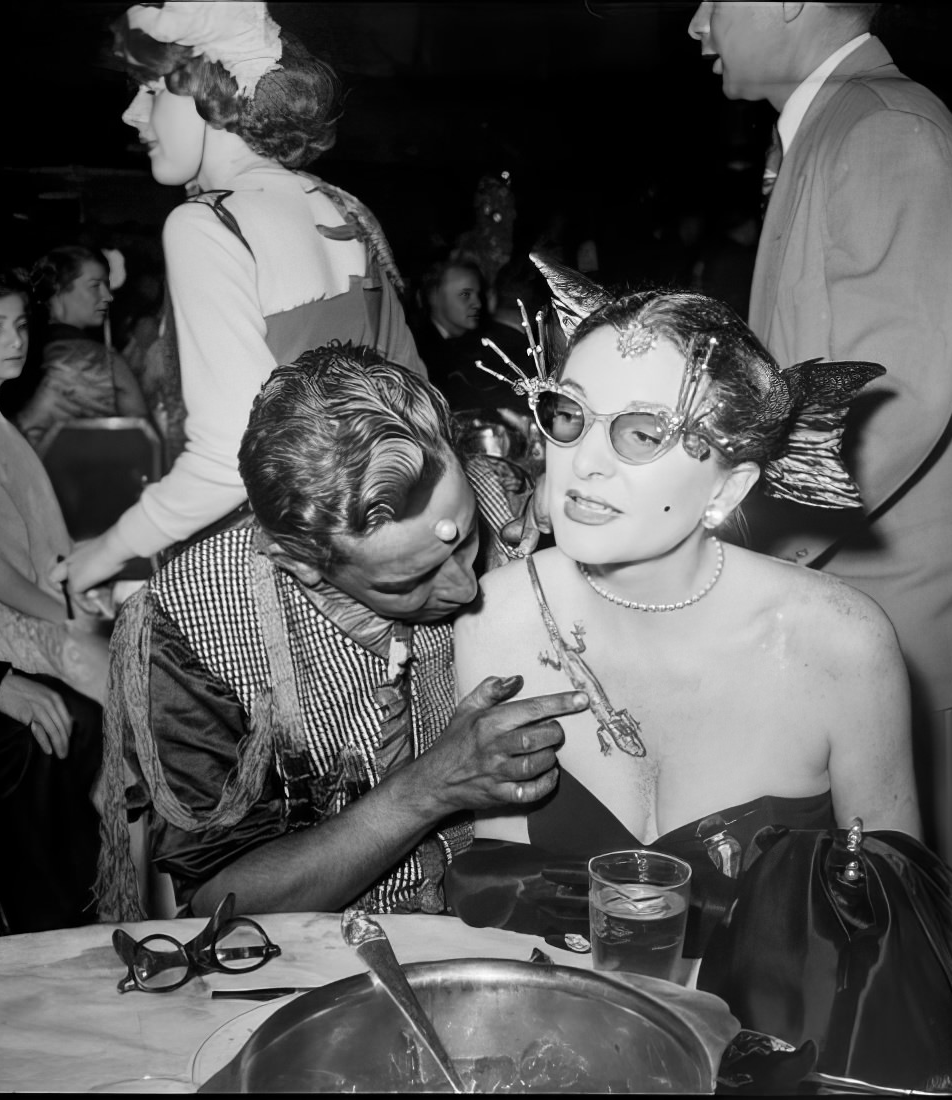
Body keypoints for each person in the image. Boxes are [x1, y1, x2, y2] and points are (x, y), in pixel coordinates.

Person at [448, 270, 921, 956]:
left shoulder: (841, 645)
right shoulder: (496, 620)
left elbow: (895, 929)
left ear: (728, 489)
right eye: (569, 414)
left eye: (642, 433)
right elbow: (502, 906)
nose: (583, 464)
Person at [687, 1, 952, 926]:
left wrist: (726, 537)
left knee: (946, 952)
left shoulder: (885, 132)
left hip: (920, 626)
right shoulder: (844, 124)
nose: (697, 25)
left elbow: (892, 398)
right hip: (870, 597)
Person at [96, 342, 588, 922]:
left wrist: (585, 515)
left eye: (464, 541)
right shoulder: (189, 621)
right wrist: (429, 788)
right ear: (299, 561)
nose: (466, 590)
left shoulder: (496, 496)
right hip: (316, 963)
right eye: (411, 581)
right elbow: (223, 902)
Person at [55, 1, 424, 595]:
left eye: (151, 90)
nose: (131, 114)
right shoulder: (344, 208)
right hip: (363, 562)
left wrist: (100, 556)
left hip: (270, 575)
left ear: (209, 92)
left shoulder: (208, 225)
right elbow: (416, 401)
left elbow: (228, 461)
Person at [0, 268, 106, 933]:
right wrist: (62, 616)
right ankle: (62, 924)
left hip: (28, 613)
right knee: (105, 709)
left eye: (21, 324)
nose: (15, 340)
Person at [14, 245, 150, 454]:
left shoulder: (17, 349)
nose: (108, 296)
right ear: (58, 289)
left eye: (106, 285)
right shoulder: (93, 357)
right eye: (95, 286)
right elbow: (139, 438)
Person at [410, 255, 531, 418]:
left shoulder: (480, 341)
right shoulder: (416, 351)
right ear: (434, 297)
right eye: (465, 295)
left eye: (478, 294)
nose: (477, 304)